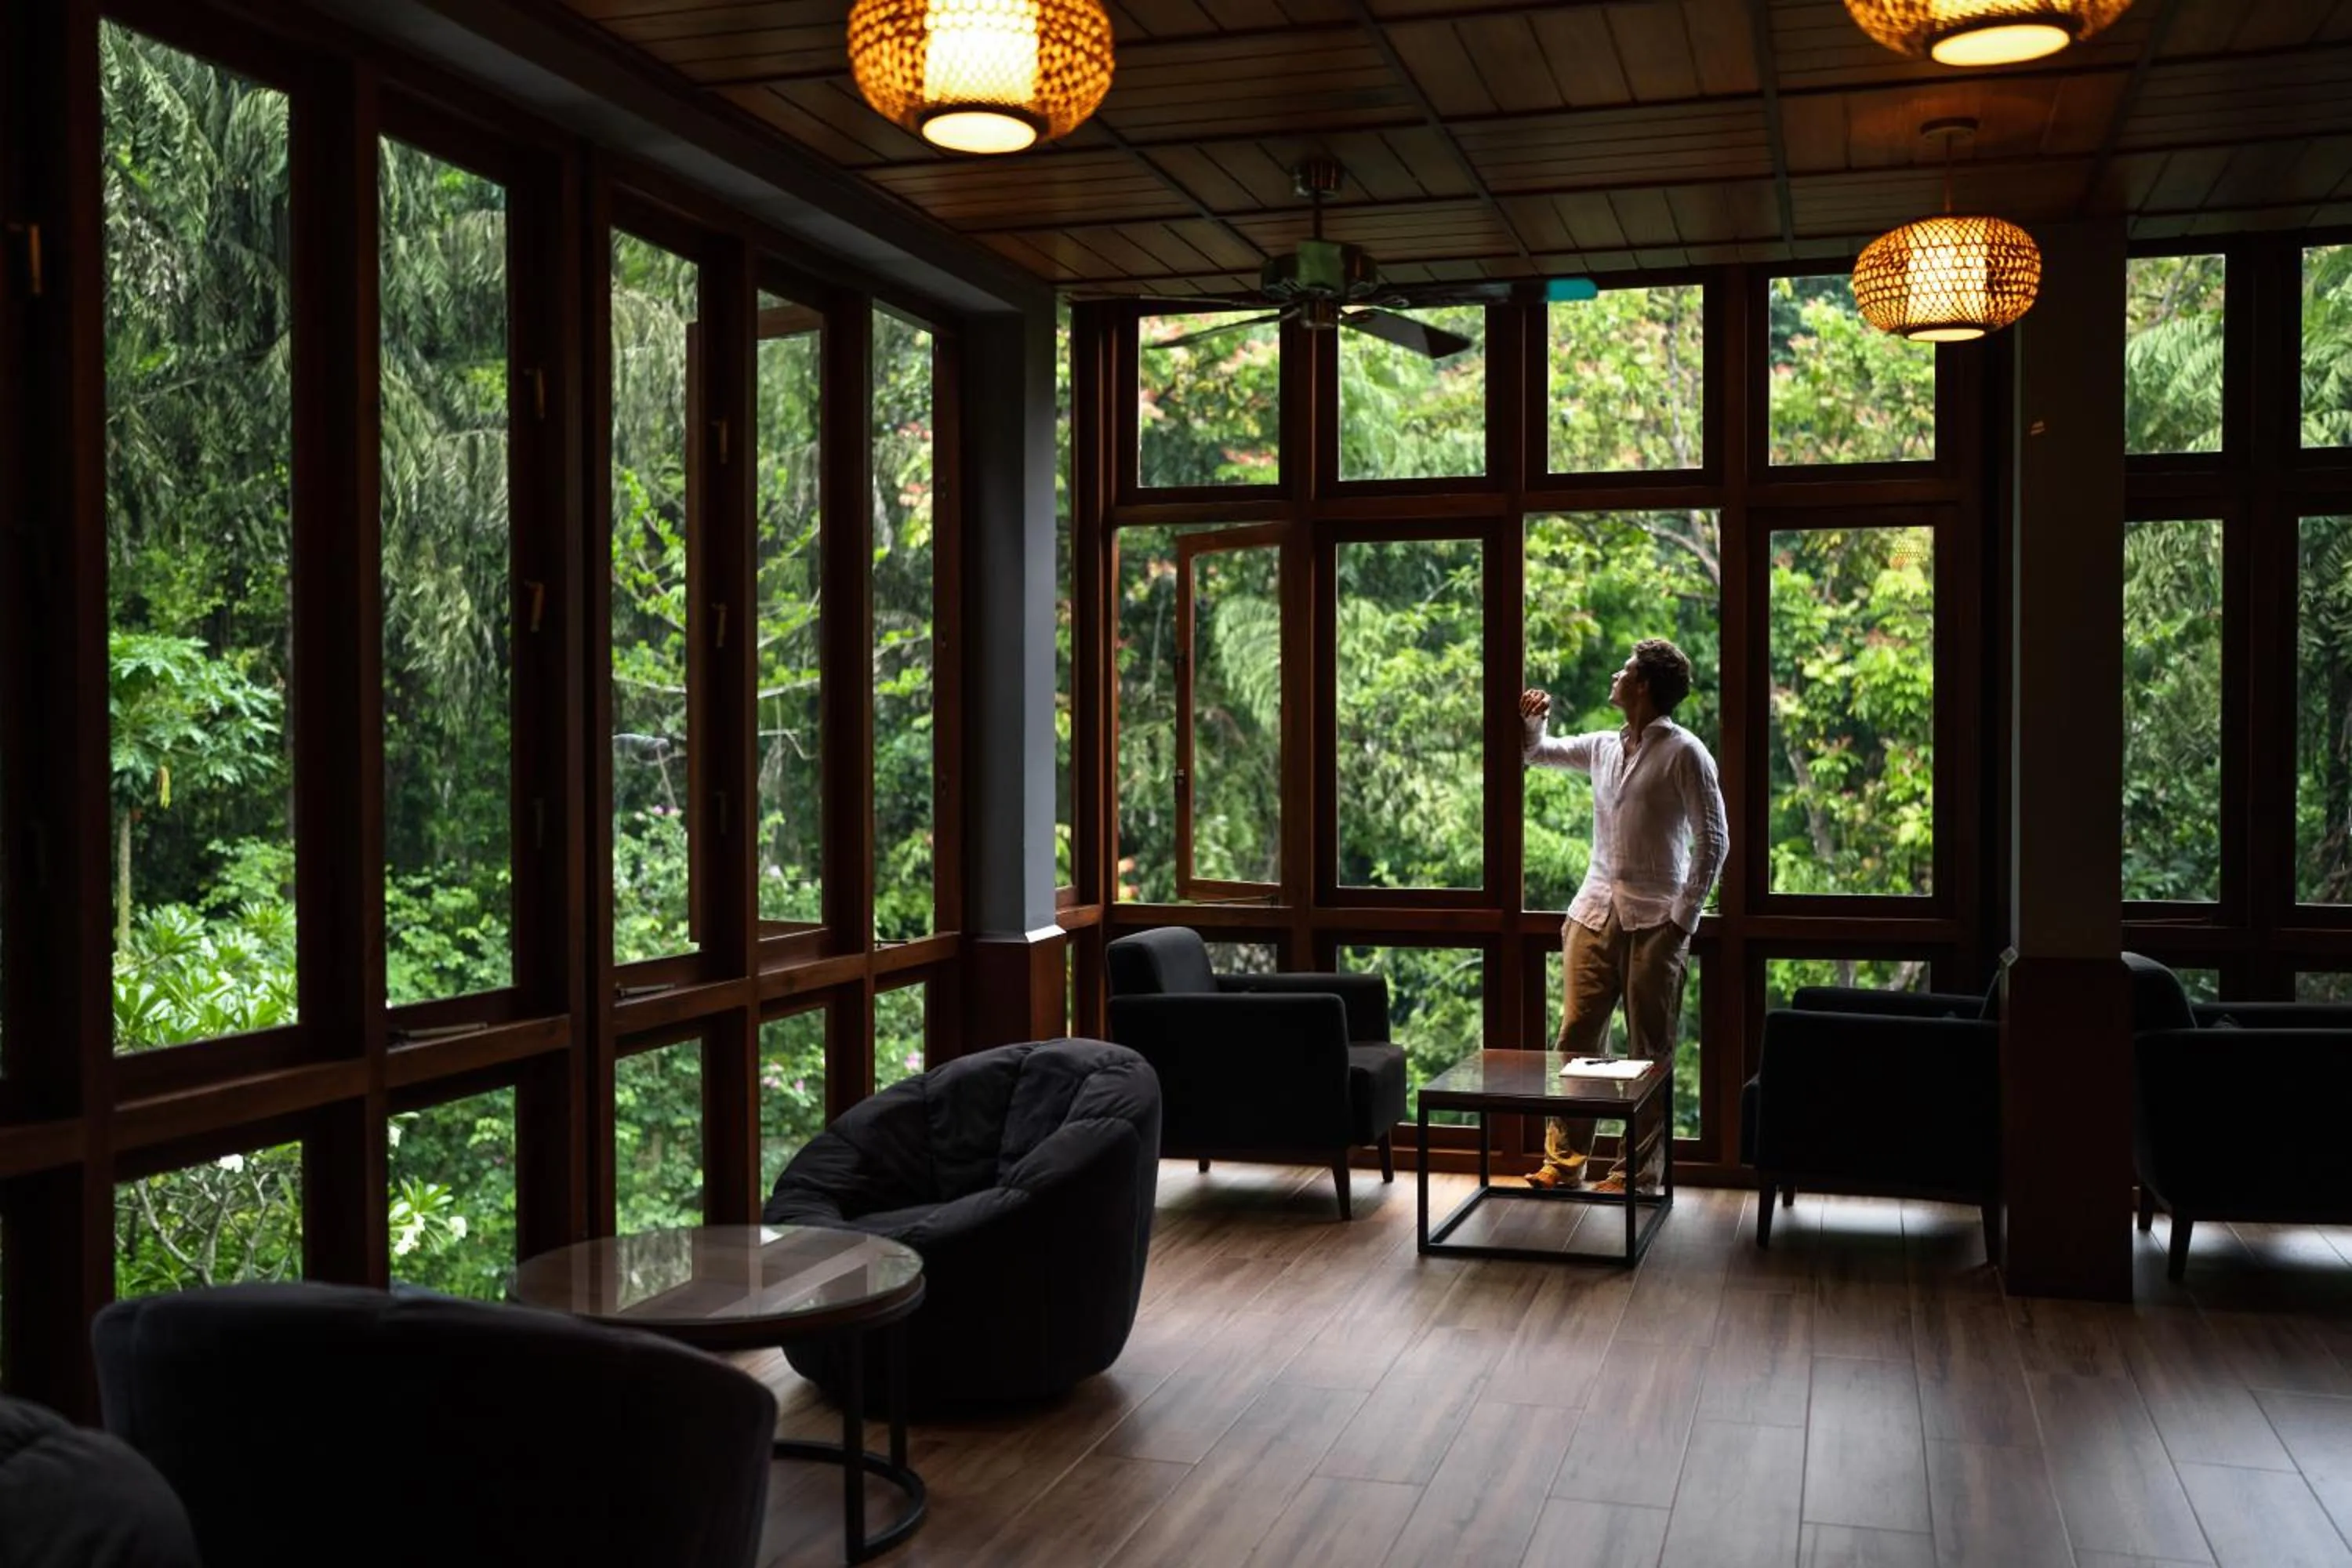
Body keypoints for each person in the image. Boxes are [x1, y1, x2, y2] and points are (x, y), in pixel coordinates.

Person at [1520, 638, 1726, 1195]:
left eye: (1627, 670)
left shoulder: (1685, 753)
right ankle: (1564, 1163)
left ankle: (1637, 1174)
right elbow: (1536, 755)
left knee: (1647, 1052)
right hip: (1592, 912)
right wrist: (1534, 724)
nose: (1616, 674)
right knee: (1575, 1039)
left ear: (1644, 686)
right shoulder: (1604, 747)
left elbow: (1713, 840)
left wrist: (1682, 922)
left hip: (1656, 919)